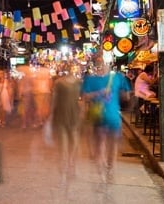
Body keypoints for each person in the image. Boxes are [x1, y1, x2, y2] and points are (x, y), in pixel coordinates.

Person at [81, 55, 131, 183]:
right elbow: (126, 96)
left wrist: (97, 94)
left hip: (100, 116)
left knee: (100, 143)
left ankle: (103, 170)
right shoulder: (118, 77)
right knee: (111, 144)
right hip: (112, 115)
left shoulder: (89, 80)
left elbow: (85, 97)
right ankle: (109, 168)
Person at [49, 73, 82, 185]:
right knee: (63, 147)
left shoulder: (78, 82)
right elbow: (54, 99)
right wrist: (50, 116)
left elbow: (82, 100)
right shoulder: (59, 83)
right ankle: (63, 173)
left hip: (73, 116)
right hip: (61, 117)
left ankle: (71, 165)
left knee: (74, 144)